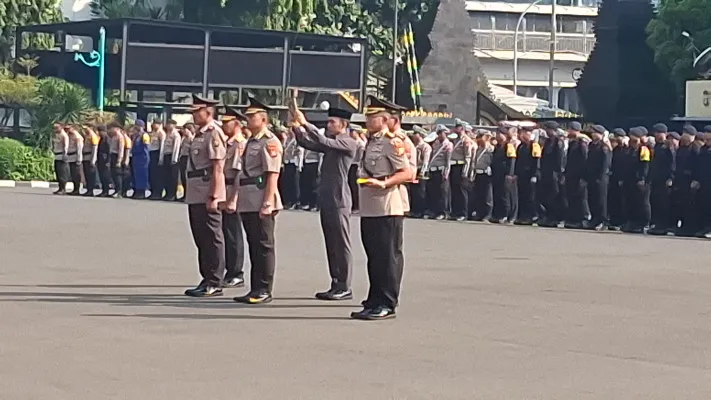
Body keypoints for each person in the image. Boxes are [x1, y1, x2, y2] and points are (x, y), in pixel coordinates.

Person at [350, 96, 411, 321]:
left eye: (371, 117)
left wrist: (384, 182)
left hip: (387, 206)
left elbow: (407, 172)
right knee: (373, 256)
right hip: (370, 207)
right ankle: (374, 299)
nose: (367, 120)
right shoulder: (371, 141)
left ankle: (387, 302)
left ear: (384, 119)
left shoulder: (391, 142)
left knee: (387, 257)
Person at [292, 106, 357, 300]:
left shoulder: (348, 142)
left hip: (339, 199)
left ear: (343, 125)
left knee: (341, 244)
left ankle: (344, 285)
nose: (328, 125)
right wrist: (296, 127)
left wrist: (305, 123)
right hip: (327, 198)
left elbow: (322, 140)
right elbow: (308, 143)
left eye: (332, 122)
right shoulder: (332, 143)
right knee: (331, 243)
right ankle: (335, 282)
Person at [233, 96, 283, 305]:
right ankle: (255, 287)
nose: (247, 119)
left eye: (252, 116)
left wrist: (268, 201)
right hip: (248, 196)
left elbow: (272, 174)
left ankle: (264, 288)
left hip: (261, 195)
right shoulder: (250, 141)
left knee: (263, 245)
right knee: (253, 244)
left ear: (263, 119)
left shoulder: (269, 141)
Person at [184, 94, 227, 298]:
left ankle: (215, 280)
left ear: (208, 112)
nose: (193, 115)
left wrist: (215, 195)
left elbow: (218, 167)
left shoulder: (213, 133)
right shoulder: (200, 134)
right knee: (200, 236)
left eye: (196, 111)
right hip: (195, 189)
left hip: (207, 189)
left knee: (212, 236)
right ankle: (206, 276)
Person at [220, 106, 248, 288]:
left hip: (232, 188)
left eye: (226, 122)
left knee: (233, 233)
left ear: (236, 124)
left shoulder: (239, 144)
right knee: (225, 231)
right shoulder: (228, 142)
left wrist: (234, 198)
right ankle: (228, 269)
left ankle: (236, 272)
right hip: (224, 187)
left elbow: (238, 173)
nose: (223, 125)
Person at [647, 123, 675, 236]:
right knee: (656, 202)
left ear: (665, 134)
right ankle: (657, 224)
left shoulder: (668, 146)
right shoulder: (656, 146)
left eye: (660, 133)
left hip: (665, 179)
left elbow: (672, 164)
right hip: (656, 179)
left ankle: (664, 225)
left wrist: (670, 178)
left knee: (664, 203)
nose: (658, 135)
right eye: (656, 133)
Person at [622, 127, 651, 234]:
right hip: (630, 180)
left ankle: (644, 223)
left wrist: (642, 178)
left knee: (642, 203)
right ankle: (632, 222)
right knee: (630, 202)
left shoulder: (643, 149)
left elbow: (645, 166)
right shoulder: (629, 149)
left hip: (640, 181)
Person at [537, 122, 567, 227]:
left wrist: (559, 174)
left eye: (548, 129)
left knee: (554, 196)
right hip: (546, 172)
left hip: (554, 174)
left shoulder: (558, 142)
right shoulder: (548, 141)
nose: (546, 131)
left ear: (553, 130)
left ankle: (555, 218)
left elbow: (559, 159)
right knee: (546, 196)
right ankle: (548, 216)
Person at [672, 125, 699, 236]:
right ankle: (682, 225)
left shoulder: (695, 147)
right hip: (681, 180)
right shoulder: (682, 148)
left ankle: (690, 228)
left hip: (690, 180)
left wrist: (695, 179)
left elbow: (698, 165)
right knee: (681, 204)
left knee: (690, 205)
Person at [584, 125, 611, 230]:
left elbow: (605, 163)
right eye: (592, 132)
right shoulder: (591, 145)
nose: (593, 134)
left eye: (596, 132)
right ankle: (594, 219)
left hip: (601, 177)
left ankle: (602, 220)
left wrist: (600, 177)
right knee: (592, 198)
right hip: (591, 176)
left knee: (601, 200)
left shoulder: (604, 146)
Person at [513, 125, 541, 225]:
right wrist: (515, 174)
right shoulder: (521, 146)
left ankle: (530, 216)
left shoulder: (534, 145)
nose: (522, 135)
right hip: (521, 175)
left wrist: (534, 175)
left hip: (529, 175)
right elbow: (518, 161)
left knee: (530, 197)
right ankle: (522, 216)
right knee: (522, 196)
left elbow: (536, 161)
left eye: (524, 133)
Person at [490, 125, 518, 224]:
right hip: (497, 173)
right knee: (498, 194)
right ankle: (498, 214)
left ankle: (506, 214)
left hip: (505, 174)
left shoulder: (508, 146)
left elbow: (511, 160)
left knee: (505, 195)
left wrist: (509, 174)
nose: (497, 136)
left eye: (499, 133)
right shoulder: (497, 146)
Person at [563, 121, 588, 229]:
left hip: (579, 176)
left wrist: (583, 176)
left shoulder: (582, 143)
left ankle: (582, 218)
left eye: (570, 129)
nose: (568, 131)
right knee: (572, 197)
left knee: (580, 198)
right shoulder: (573, 142)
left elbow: (584, 160)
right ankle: (573, 219)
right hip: (571, 175)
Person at [448, 122, 475, 221]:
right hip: (454, 165)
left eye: (458, 127)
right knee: (454, 190)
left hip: (461, 165)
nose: (456, 129)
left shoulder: (466, 140)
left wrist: (465, 170)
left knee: (461, 191)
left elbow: (467, 157)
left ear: (462, 128)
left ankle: (463, 212)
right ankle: (455, 212)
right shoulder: (456, 140)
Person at [426, 126, 453, 220]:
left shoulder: (448, 144)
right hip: (434, 170)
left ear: (445, 133)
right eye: (438, 133)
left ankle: (444, 212)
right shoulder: (436, 144)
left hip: (442, 170)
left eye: (441, 133)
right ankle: (435, 211)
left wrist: (446, 172)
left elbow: (448, 160)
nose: (440, 135)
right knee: (435, 192)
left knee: (443, 193)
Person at [469, 129, 494, 221]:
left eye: (481, 137)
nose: (479, 139)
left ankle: (487, 214)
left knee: (487, 196)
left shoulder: (490, 149)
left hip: (486, 174)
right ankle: (479, 213)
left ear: (486, 137)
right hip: (478, 174)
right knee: (479, 195)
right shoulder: (479, 149)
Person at [607, 128, 629, 231]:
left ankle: (622, 221)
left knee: (623, 201)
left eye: (617, 136)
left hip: (623, 178)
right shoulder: (615, 149)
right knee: (613, 200)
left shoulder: (627, 149)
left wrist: (623, 178)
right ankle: (614, 220)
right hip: (614, 178)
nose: (615, 139)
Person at [692, 126, 711, 238]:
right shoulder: (703, 149)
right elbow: (698, 166)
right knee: (704, 205)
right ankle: (705, 227)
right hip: (703, 182)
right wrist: (696, 179)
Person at [409, 128, 431, 218]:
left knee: (420, 192)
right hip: (414, 169)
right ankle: (414, 210)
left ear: (420, 135)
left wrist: (422, 172)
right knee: (414, 191)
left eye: (415, 133)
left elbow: (426, 161)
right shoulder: (414, 146)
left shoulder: (425, 146)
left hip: (421, 170)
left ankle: (420, 211)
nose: (414, 135)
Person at [281, 128, 303, 209]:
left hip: (294, 162)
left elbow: (299, 153)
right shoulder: (287, 140)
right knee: (287, 183)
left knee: (294, 183)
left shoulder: (296, 141)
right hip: (287, 162)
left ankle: (295, 201)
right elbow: (283, 148)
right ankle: (288, 201)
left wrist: (299, 165)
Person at [162, 120, 182, 201]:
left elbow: (176, 148)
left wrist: (174, 158)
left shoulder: (176, 135)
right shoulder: (166, 134)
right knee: (166, 176)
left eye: (170, 124)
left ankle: (172, 194)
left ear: (174, 125)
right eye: (167, 124)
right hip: (166, 155)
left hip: (172, 156)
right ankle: (167, 193)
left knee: (173, 177)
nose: (168, 126)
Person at [130, 121, 151, 199]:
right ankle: (136, 190)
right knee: (136, 175)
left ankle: (141, 192)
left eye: (138, 126)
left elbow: (146, 147)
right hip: (136, 157)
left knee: (142, 175)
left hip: (143, 157)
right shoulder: (136, 136)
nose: (137, 127)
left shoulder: (145, 135)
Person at [349, 127, 366, 213]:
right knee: (350, 186)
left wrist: (360, 167)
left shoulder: (360, 144)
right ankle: (352, 205)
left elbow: (361, 157)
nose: (351, 134)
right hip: (351, 164)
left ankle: (356, 206)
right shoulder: (352, 142)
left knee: (354, 186)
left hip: (356, 165)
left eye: (352, 132)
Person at [148, 121, 166, 199]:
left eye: (156, 124)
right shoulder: (152, 133)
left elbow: (162, 146)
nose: (154, 125)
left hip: (157, 153)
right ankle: (152, 191)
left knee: (157, 175)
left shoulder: (161, 133)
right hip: (151, 153)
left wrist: (160, 158)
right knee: (152, 174)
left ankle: (157, 192)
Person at [80, 124, 99, 197]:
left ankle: (91, 190)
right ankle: (88, 189)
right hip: (85, 157)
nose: (85, 130)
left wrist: (93, 160)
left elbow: (95, 149)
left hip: (90, 157)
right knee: (87, 175)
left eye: (86, 128)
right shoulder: (87, 136)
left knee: (91, 175)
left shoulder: (93, 136)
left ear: (91, 128)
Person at [107, 123, 125, 198]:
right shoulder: (113, 137)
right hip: (112, 155)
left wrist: (119, 160)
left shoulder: (120, 137)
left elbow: (121, 149)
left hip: (116, 156)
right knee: (113, 174)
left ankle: (119, 191)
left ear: (116, 128)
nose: (110, 130)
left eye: (112, 128)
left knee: (117, 175)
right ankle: (116, 190)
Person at [52, 123, 70, 195]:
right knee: (58, 173)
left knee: (62, 173)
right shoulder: (56, 135)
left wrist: (64, 155)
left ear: (61, 127)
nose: (55, 129)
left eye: (57, 127)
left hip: (61, 156)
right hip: (56, 155)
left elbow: (66, 146)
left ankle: (63, 189)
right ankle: (60, 187)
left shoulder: (64, 135)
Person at [178, 124, 194, 201]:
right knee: (182, 176)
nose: (183, 131)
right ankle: (184, 194)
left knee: (186, 176)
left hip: (188, 158)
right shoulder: (184, 139)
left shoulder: (192, 139)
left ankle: (187, 195)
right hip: (182, 157)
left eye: (185, 130)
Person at [66, 125, 84, 196]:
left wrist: (79, 159)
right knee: (73, 174)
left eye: (68, 128)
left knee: (76, 174)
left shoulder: (77, 137)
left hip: (75, 157)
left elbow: (79, 149)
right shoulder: (70, 135)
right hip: (71, 157)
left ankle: (77, 189)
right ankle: (74, 189)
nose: (67, 130)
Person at [96, 125, 113, 197]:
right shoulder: (101, 139)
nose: (99, 133)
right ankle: (103, 190)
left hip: (105, 160)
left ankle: (106, 191)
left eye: (100, 132)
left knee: (105, 176)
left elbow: (109, 151)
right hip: (101, 160)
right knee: (102, 176)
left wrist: (108, 161)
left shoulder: (107, 139)